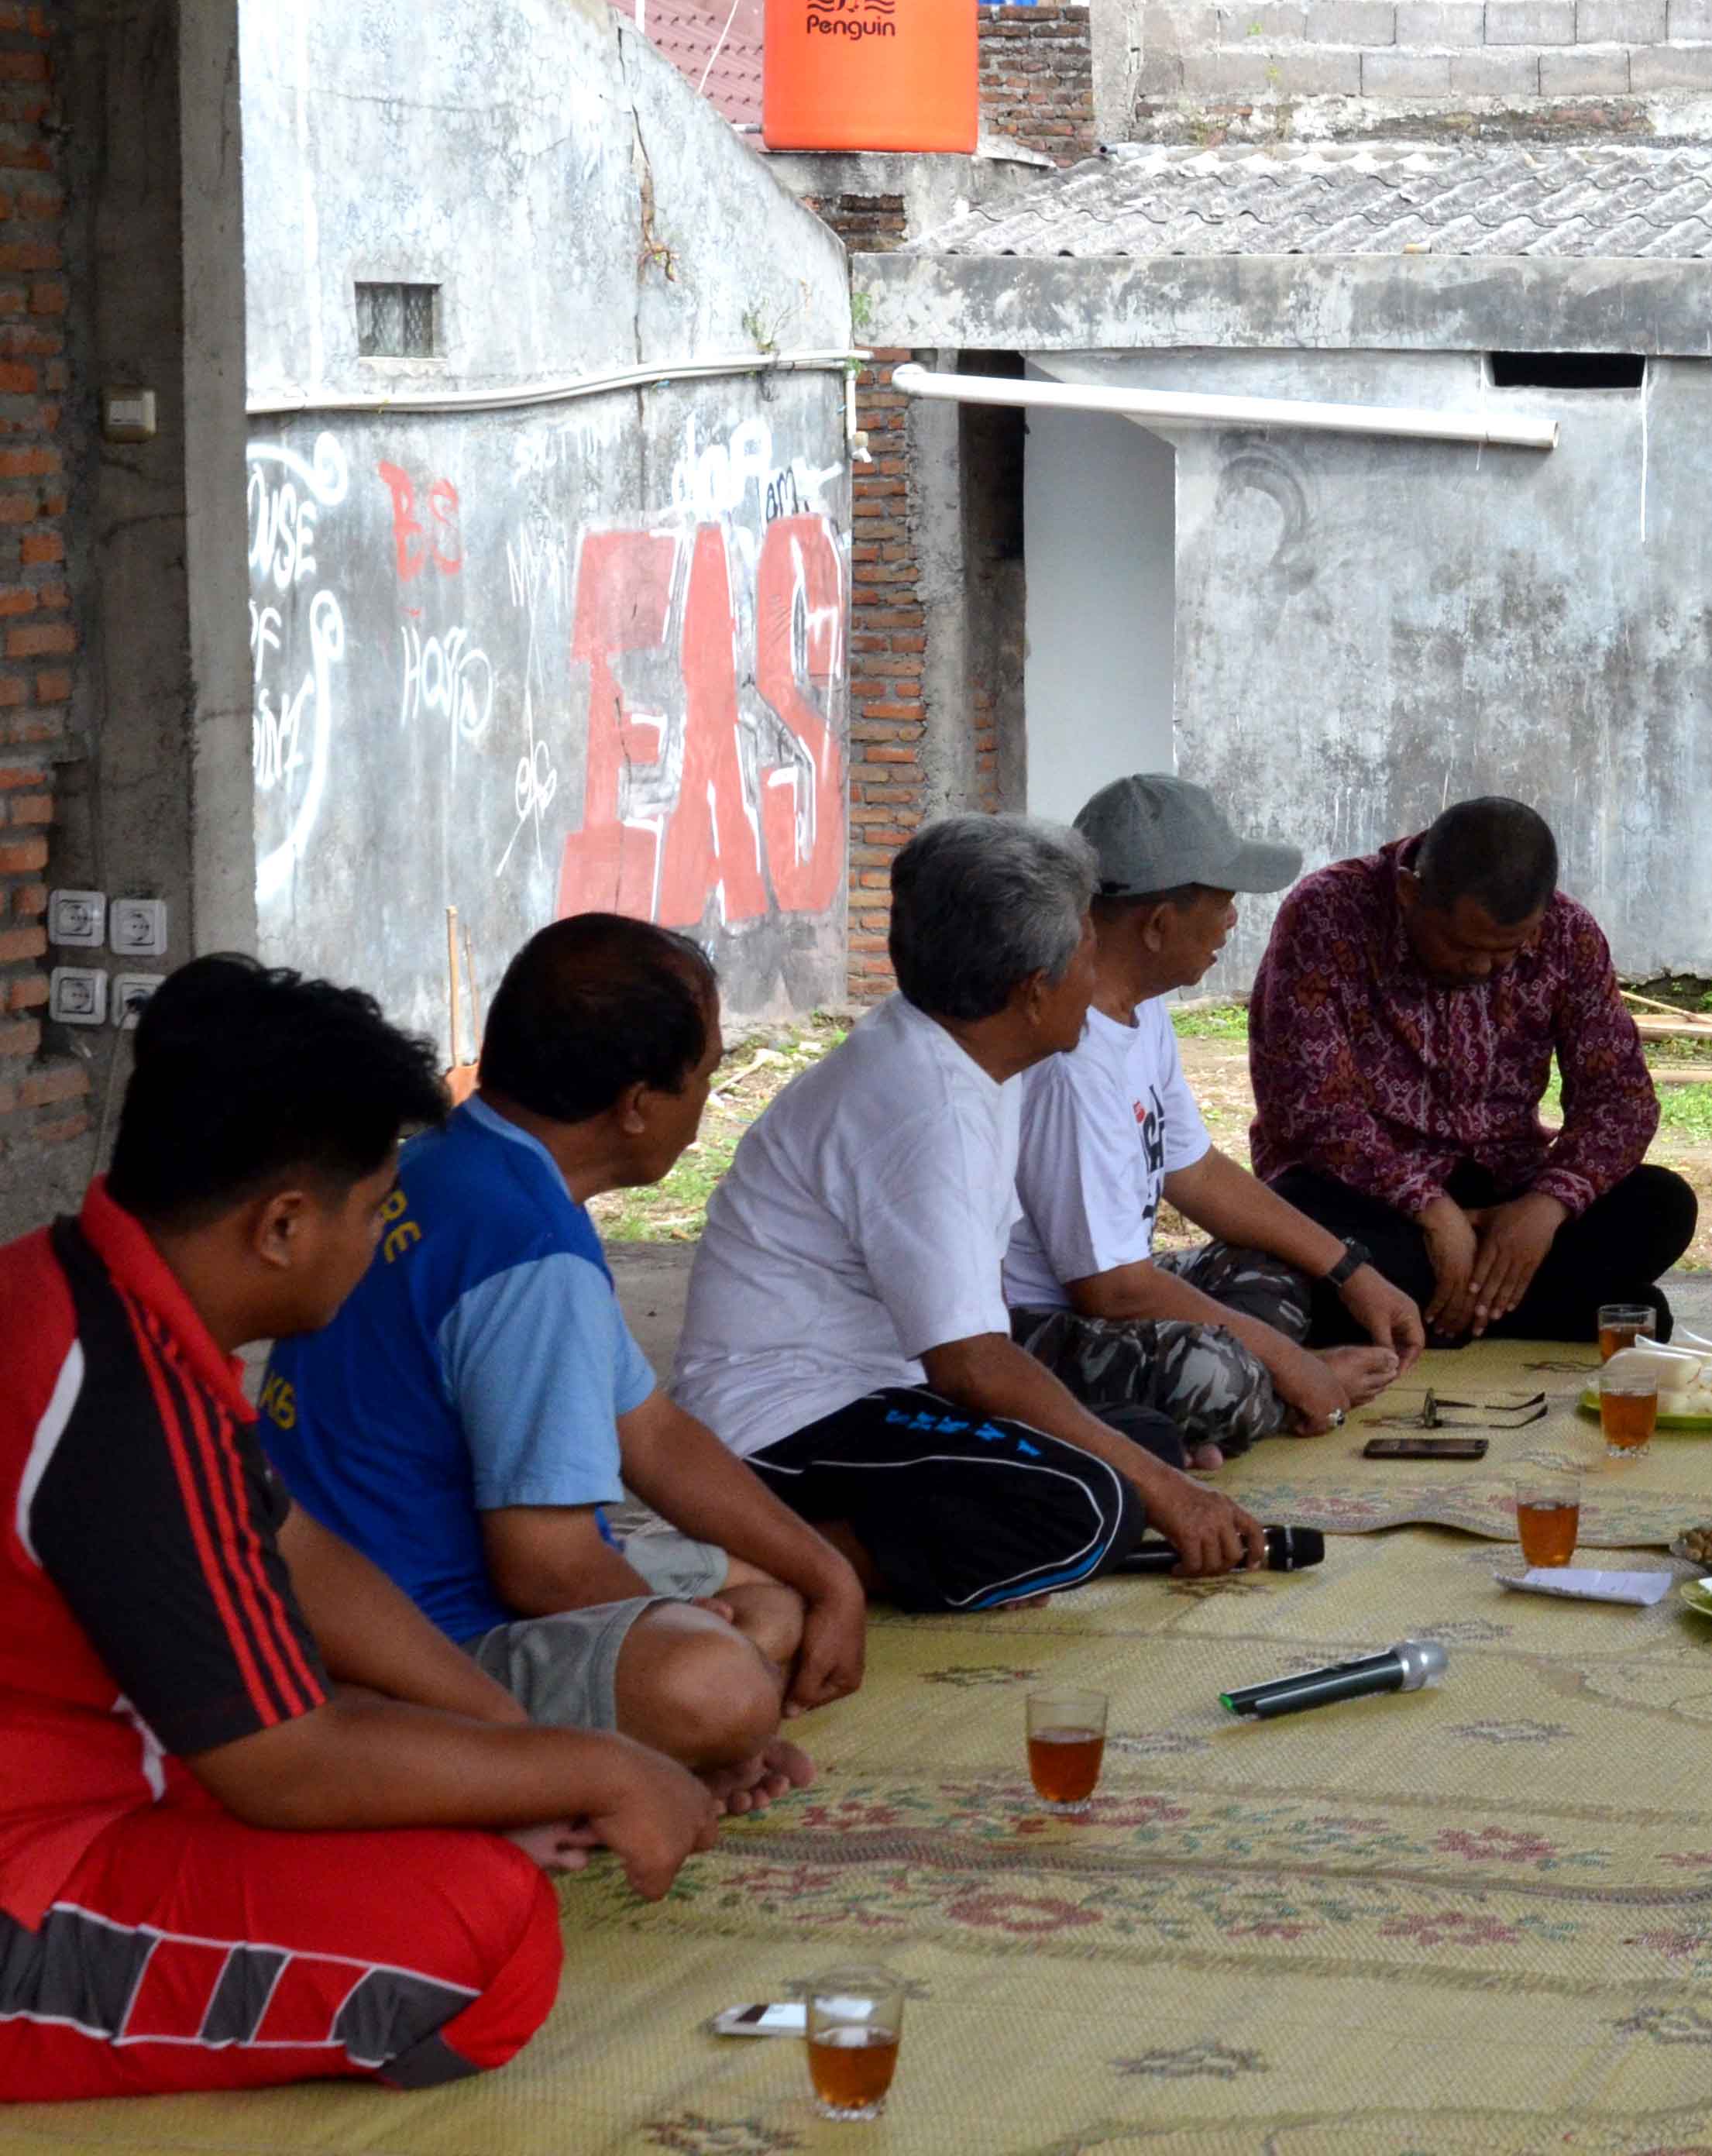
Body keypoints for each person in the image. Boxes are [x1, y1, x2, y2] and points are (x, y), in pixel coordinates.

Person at [0, 958, 715, 2100]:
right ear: (283, 1225)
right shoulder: (119, 1398)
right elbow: (284, 1765)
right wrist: (587, 1763)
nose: (385, 1235)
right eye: (379, 1207)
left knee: (442, 1807)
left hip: (100, 1773)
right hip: (34, 1867)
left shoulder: (86, 1291)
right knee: (485, 1938)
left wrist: (513, 1756)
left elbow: (297, 1552)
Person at [260, 915, 868, 1810]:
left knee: (772, 1598)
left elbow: (651, 1431)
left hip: (351, 1590)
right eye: (705, 1074)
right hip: (416, 1635)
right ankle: (470, 1752)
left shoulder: (448, 1165)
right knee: (718, 1685)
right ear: (635, 1105)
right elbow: (543, 1566)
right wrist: (681, 1671)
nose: (705, 1100)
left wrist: (831, 1575)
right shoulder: (530, 1250)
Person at [676, 816, 1268, 1607]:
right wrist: (1164, 1495)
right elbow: (971, 1364)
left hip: (886, 1387)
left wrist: (1146, 1470)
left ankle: (931, 1533)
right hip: (780, 1429)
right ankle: (772, 1555)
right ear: (1033, 991)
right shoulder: (927, 1108)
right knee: (1092, 1505)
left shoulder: (965, 1048)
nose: (1097, 982)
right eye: (1089, 957)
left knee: (1144, 1440)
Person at [1003, 774, 1422, 1456]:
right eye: (1223, 901)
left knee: (1283, 1271)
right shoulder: (1068, 1058)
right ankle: (1234, 1410)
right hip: (1035, 1322)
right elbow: (1110, 1293)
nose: (1233, 919)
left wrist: (1351, 1271)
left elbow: (1194, 1171)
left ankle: (1195, 1421)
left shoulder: (1139, 1009)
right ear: (1159, 925)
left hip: (1116, 1291)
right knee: (1214, 1374)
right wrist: (1294, 1367)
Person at [1246, 796, 1697, 1343]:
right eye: (1463, 947)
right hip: (1366, 1199)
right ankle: (1544, 1305)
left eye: (1509, 951)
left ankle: (1440, 1308)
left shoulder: (1569, 933)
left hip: (1507, 1191)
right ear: (1412, 893)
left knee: (1661, 1205)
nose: (1484, 967)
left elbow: (1620, 1102)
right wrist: (1430, 1209)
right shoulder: (1327, 913)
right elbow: (1309, 1109)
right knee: (1295, 1218)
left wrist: (1545, 1207)